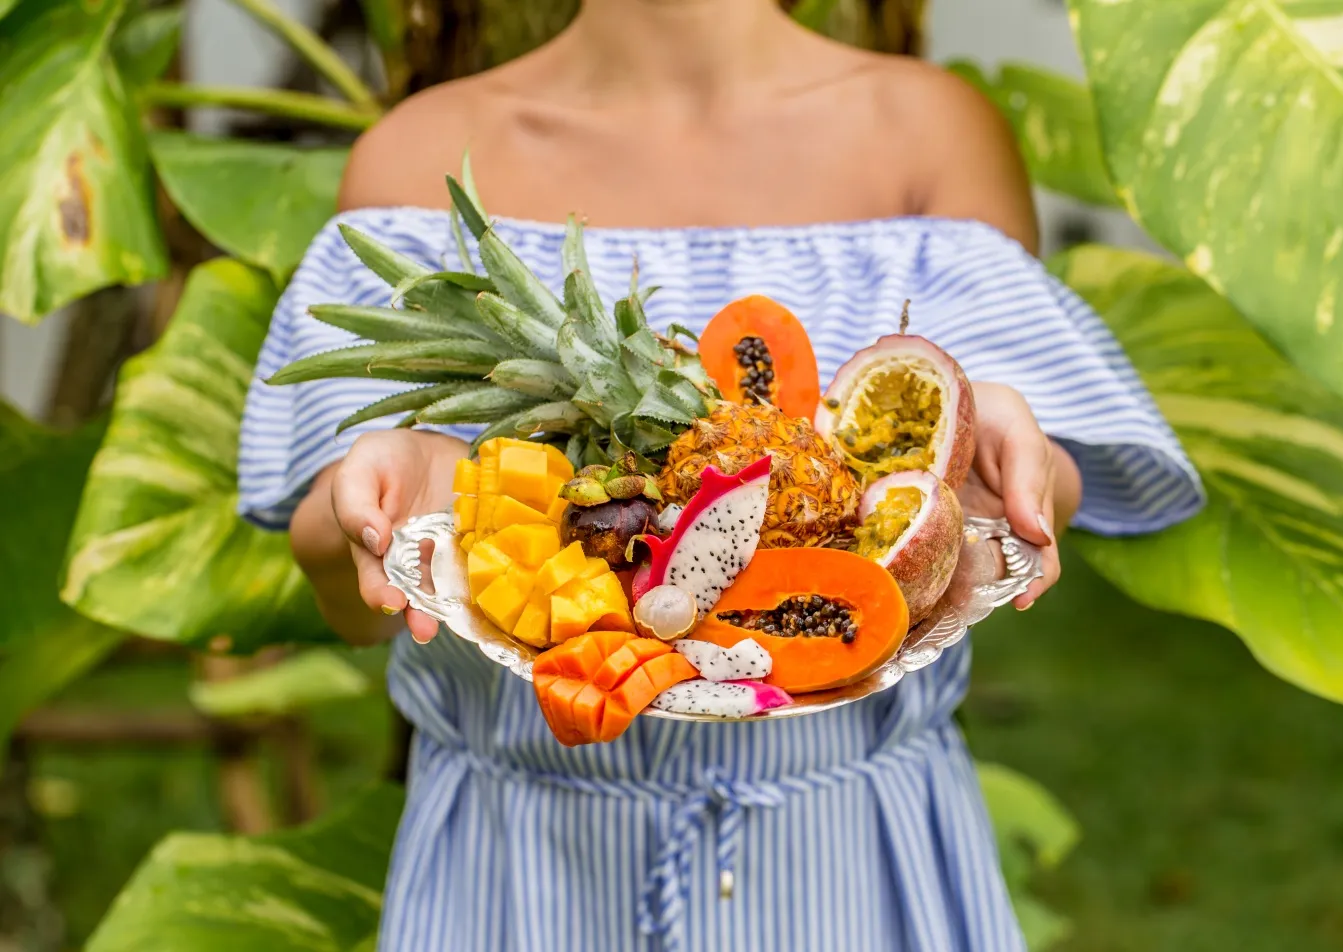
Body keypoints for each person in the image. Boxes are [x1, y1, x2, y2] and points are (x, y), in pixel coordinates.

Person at [237, 1, 1203, 948]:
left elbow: (1032, 491)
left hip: (853, 857)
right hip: (525, 865)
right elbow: (350, 595)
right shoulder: (420, 159)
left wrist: (988, 457)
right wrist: (399, 488)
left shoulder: (927, 131)